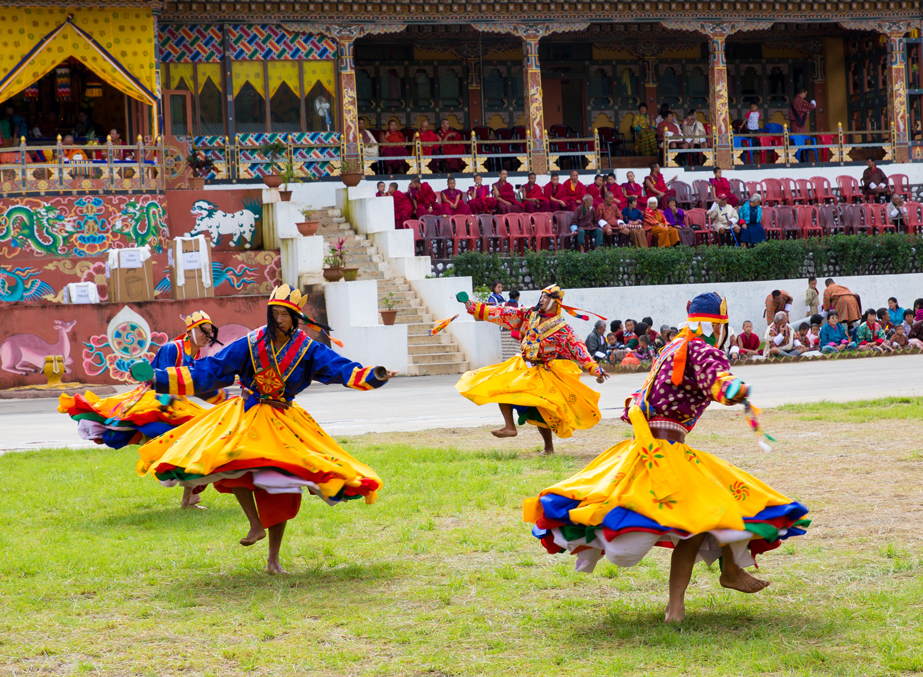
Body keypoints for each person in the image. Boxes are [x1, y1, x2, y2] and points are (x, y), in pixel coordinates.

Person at [524, 292, 809, 622]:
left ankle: (698, 592)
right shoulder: (700, 349)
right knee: (719, 505)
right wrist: (736, 390)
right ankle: (714, 580)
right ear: (719, 324)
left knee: (704, 513)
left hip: (644, 448)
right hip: (666, 452)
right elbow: (718, 382)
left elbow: (637, 399)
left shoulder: (672, 348)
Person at [133, 285, 396, 574]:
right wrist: (156, 377)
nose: (279, 319)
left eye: (285, 314)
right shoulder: (251, 342)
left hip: (283, 418)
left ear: (296, 317)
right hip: (246, 413)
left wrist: (374, 375)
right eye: (275, 314)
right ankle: (254, 524)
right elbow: (208, 370)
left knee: (281, 483)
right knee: (232, 460)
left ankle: (273, 559)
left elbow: (342, 369)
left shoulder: (308, 349)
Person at [58, 311, 230, 509]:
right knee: (186, 437)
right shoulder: (173, 348)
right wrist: (169, 403)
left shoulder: (195, 353)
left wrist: (224, 398)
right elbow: (164, 380)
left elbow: (194, 384)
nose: (207, 335)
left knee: (200, 437)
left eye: (210, 331)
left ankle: (189, 499)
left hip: (175, 403)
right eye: (203, 330)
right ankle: (174, 477)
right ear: (190, 331)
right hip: (157, 400)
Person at [455, 285, 609, 454]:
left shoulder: (563, 329)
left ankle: (548, 448)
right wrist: (471, 305)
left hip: (544, 370)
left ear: (555, 302)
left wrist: (596, 370)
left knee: (542, 411)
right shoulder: (529, 313)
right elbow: (502, 312)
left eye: (546, 297)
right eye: (541, 296)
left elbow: (579, 349)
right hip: (522, 364)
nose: (541, 299)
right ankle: (509, 426)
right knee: (500, 384)